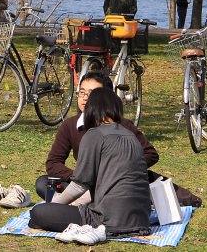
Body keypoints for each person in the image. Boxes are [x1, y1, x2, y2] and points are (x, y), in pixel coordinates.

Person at [35, 71, 202, 207]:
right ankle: (85, 199)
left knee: (146, 188)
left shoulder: (122, 125)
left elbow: (150, 154)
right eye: (82, 93)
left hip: (120, 184)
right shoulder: (70, 125)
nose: (85, 99)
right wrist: (80, 177)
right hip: (84, 184)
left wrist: (119, 170)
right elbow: (53, 163)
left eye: (92, 94)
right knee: (44, 183)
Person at [29, 88, 151, 240]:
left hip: (106, 221)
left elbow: (80, 185)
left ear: (91, 110)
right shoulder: (130, 135)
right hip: (142, 221)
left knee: (38, 213)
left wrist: (56, 205)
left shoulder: (94, 134)